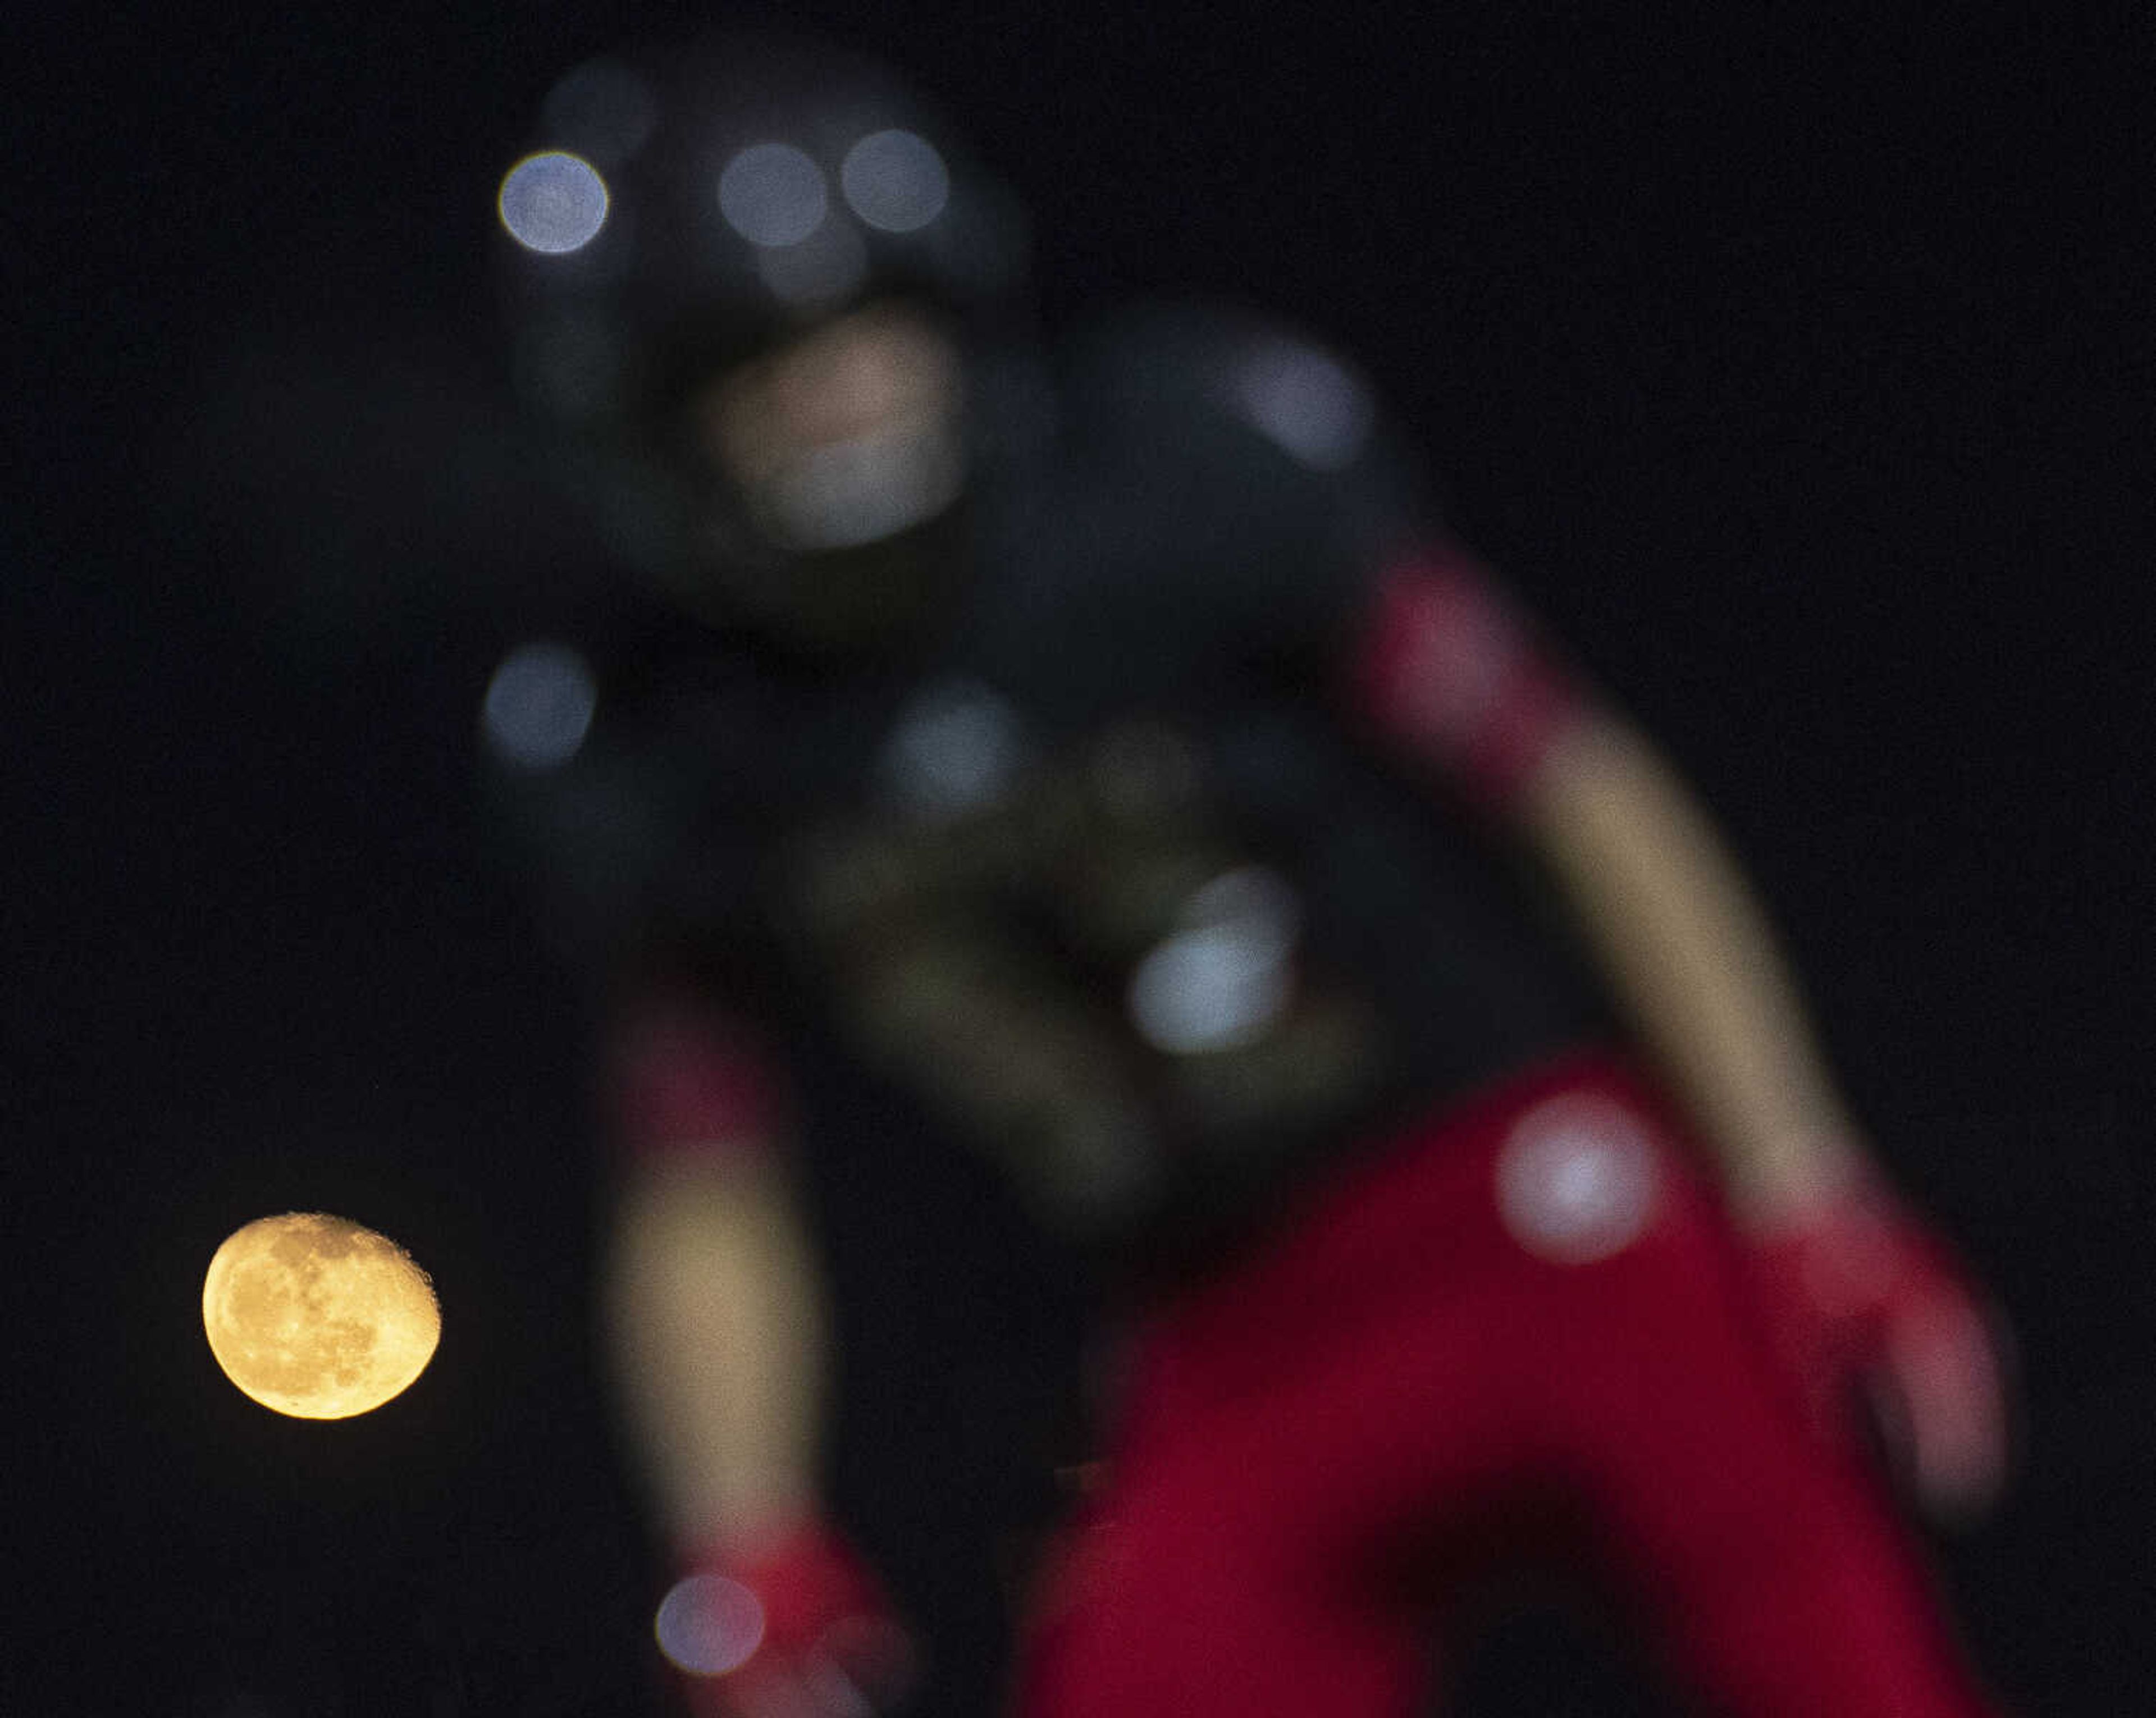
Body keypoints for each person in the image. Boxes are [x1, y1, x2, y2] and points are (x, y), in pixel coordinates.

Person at [481, 34, 2010, 1717]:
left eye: (863, 331)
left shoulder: (1169, 472)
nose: (838, 394)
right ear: (651, 423)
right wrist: (742, 1537)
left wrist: (1803, 1181)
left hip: (1525, 1201)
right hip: (1217, 1337)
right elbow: (704, 1172)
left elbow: (1577, 787)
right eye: (754, 364)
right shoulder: (656, 739)